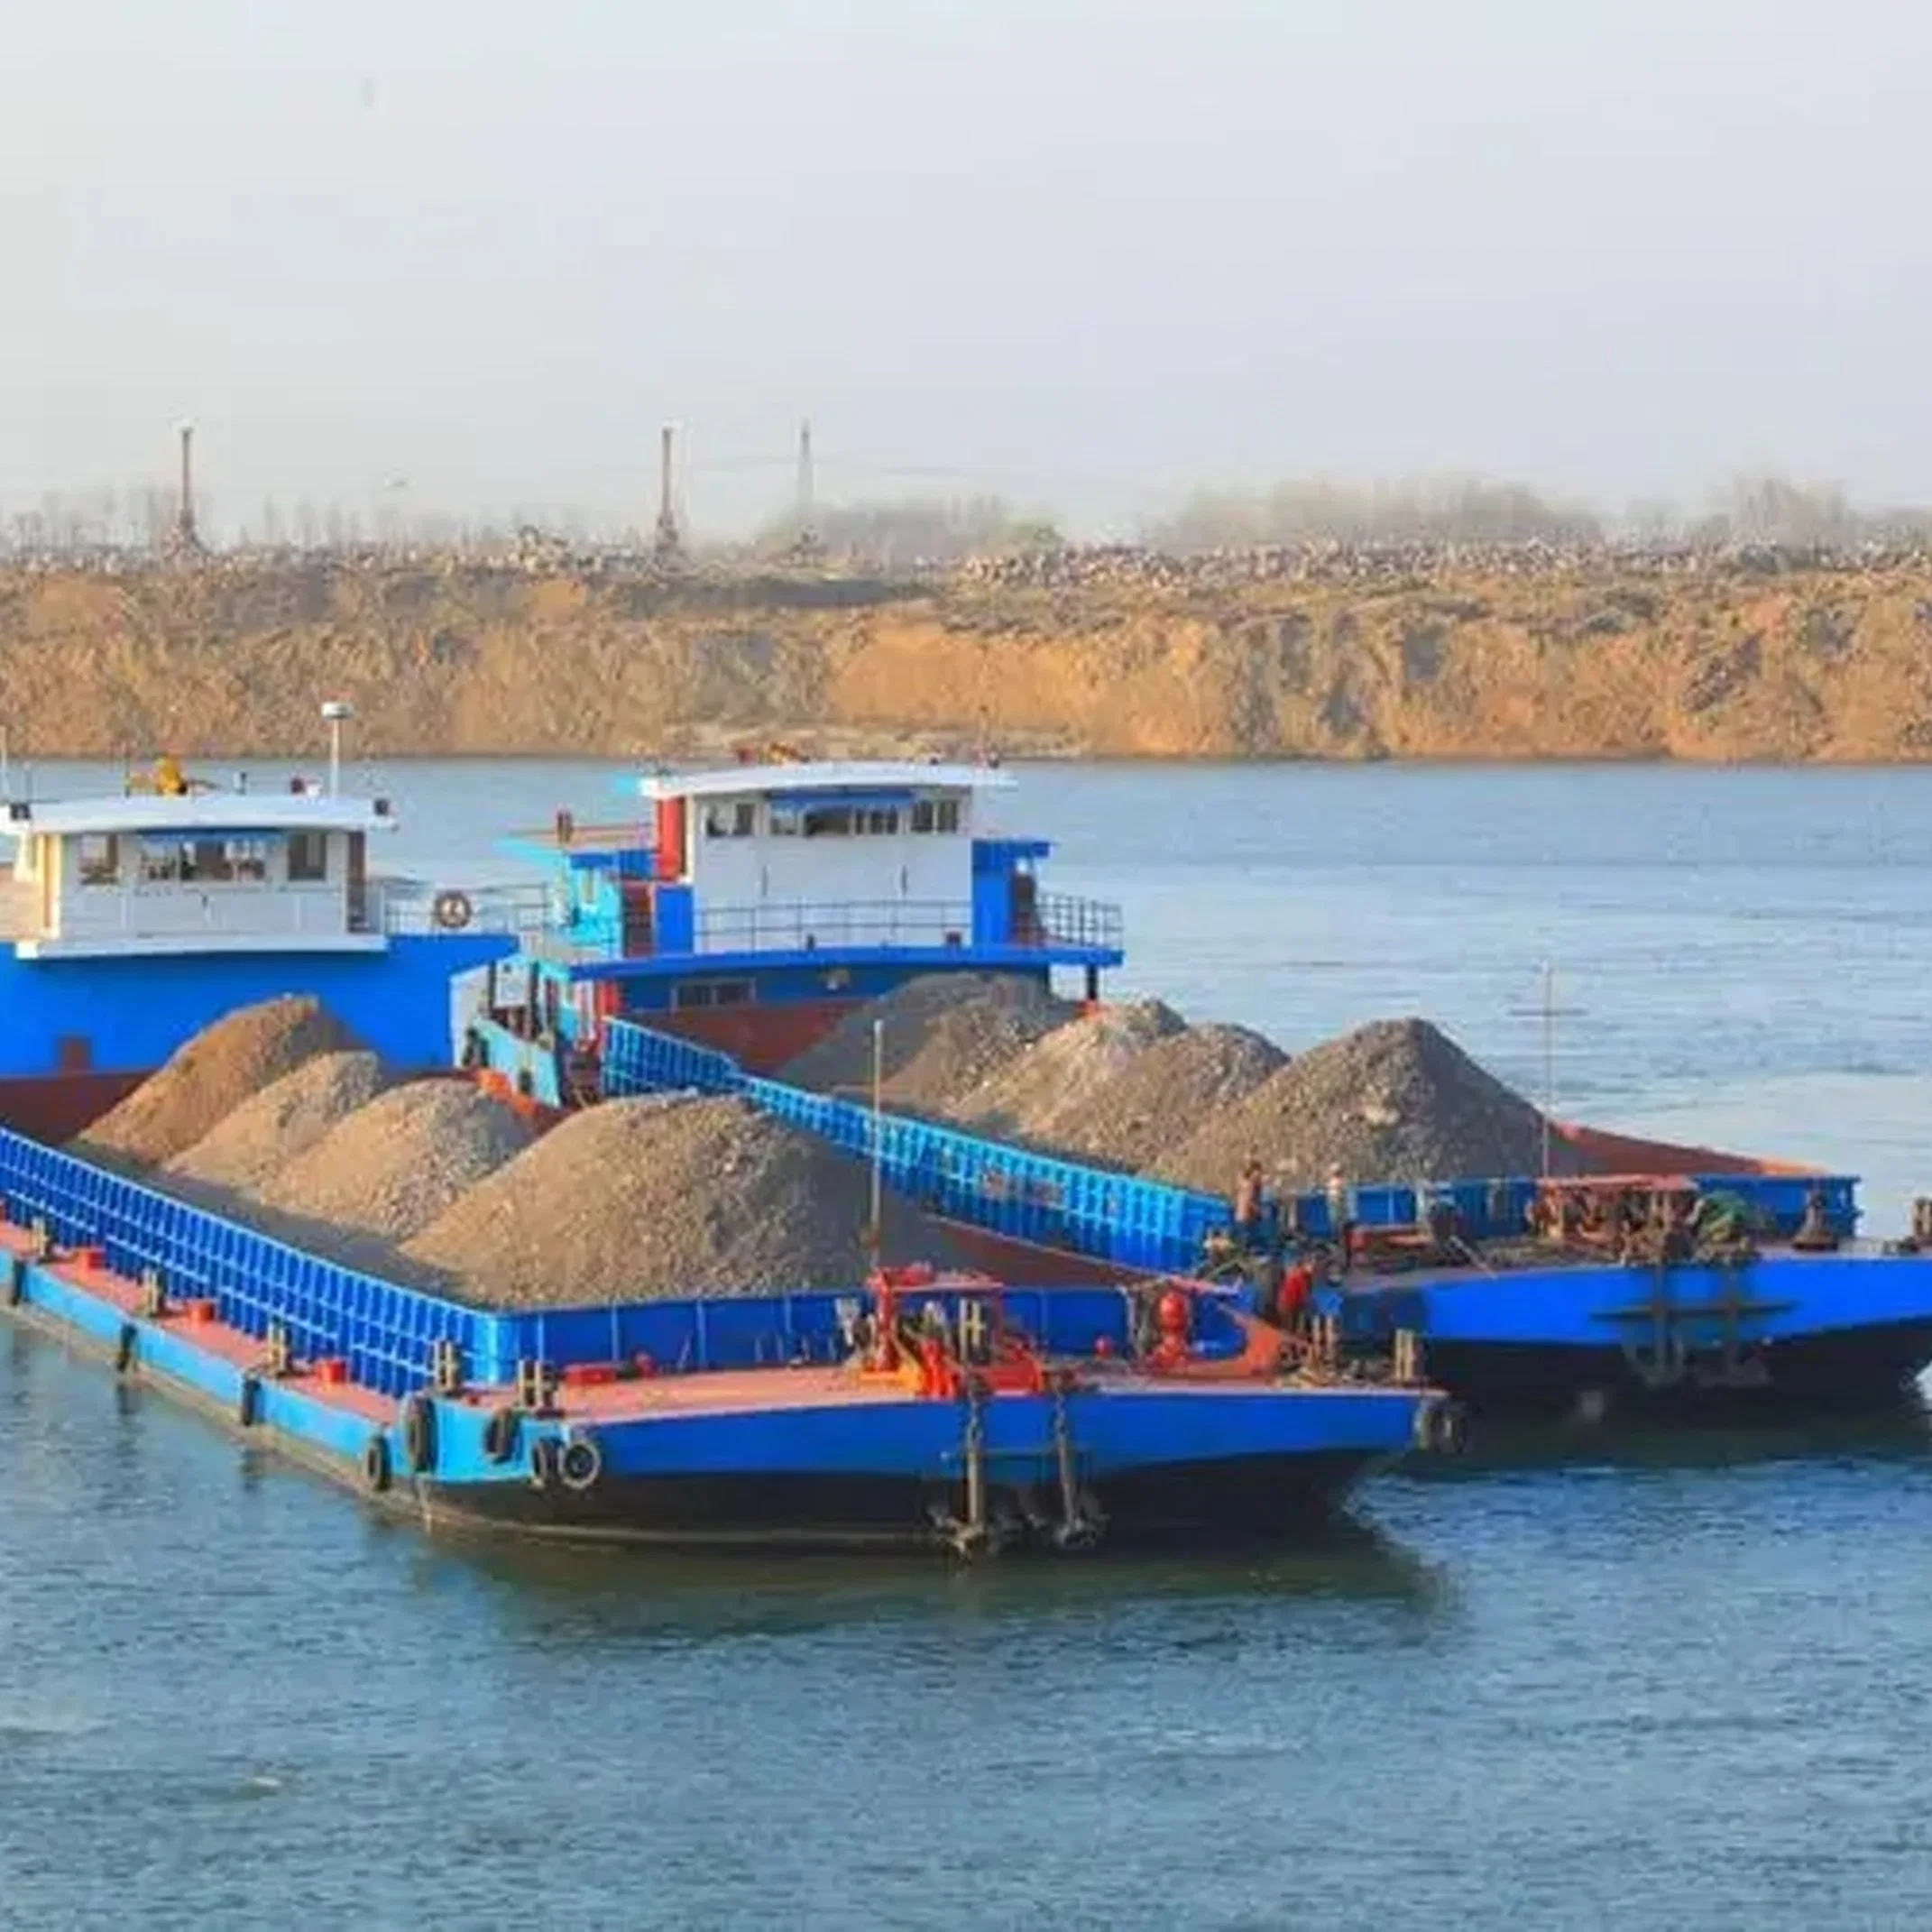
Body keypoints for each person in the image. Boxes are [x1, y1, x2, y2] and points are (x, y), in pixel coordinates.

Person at [1233, 1156, 1265, 1250]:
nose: (1259, 1177)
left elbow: (1240, 1177)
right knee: (1245, 1245)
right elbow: (1249, 1202)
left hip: (1239, 1218)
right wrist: (1258, 1211)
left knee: (1242, 1243)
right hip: (1245, 1220)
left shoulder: (1243, 1183)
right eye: (1258, 1175)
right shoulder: (1249, 1186)